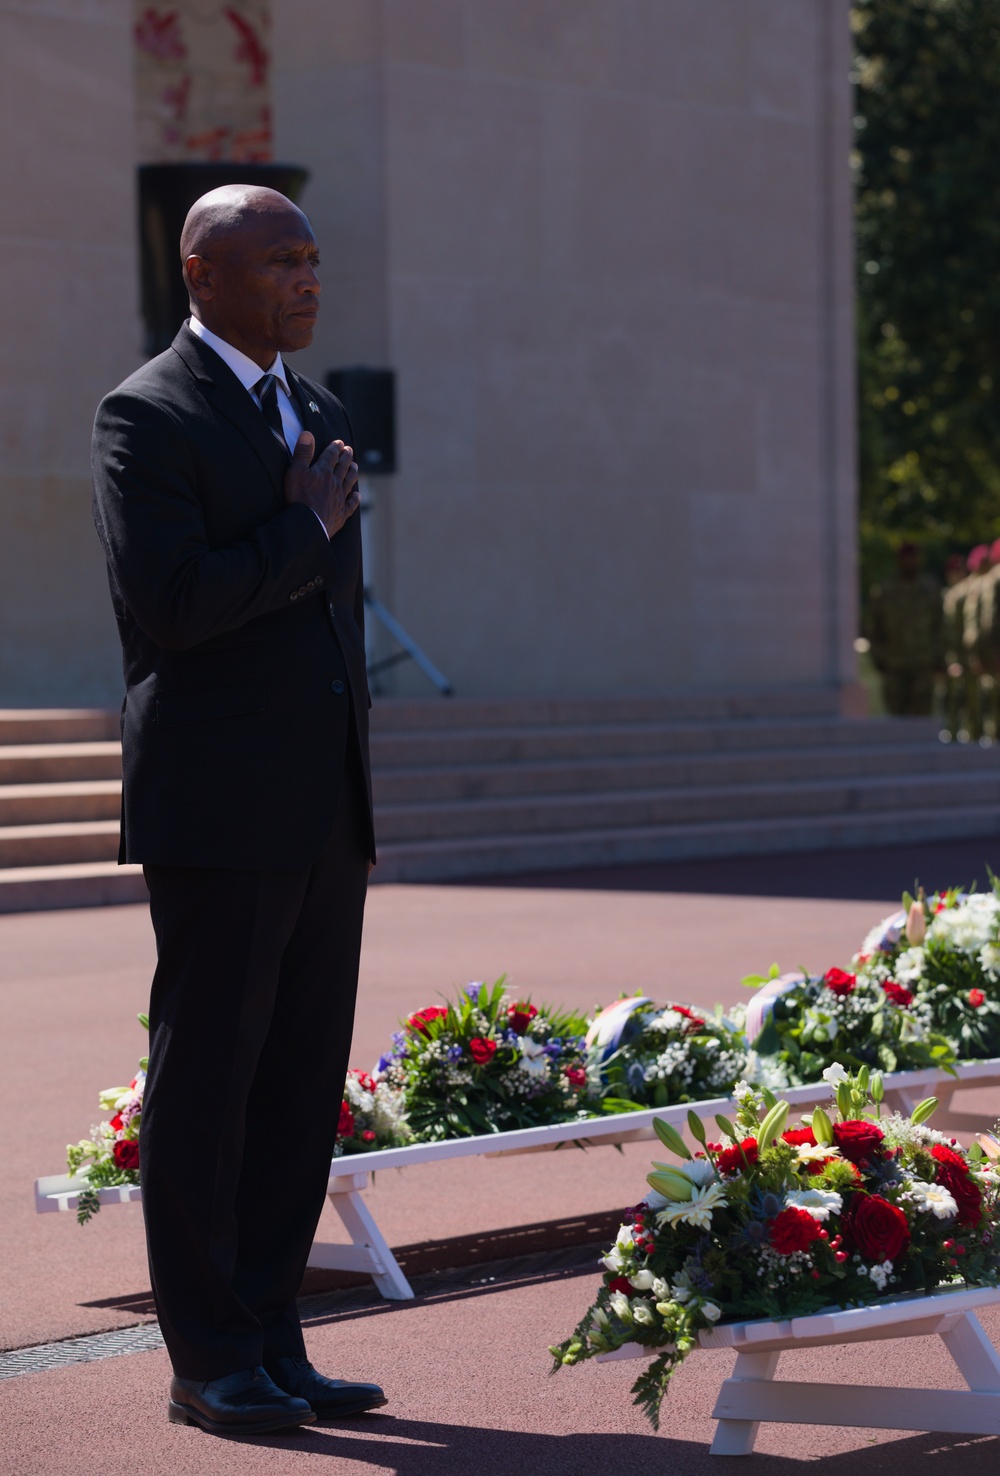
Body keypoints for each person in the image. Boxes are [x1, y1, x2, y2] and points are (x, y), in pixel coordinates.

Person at [91, 185, 386, 1437]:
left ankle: (272, 1334)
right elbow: (172, 606)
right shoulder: (146, 414)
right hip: (217, 807)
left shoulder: (313, 410)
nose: (308, 281)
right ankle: (206, 1359)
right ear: (202, 273)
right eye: (281, 262)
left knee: (296, 1080)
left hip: (323, 805)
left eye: (313, 260)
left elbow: (327, 618)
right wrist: (302, 530)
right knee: (209, 1083)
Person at [866, 542, 944, 716]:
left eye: (914, 557)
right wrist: (878, 658)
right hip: (894, 666)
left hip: (923, 665)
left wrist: (939, 657)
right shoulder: (884, 591)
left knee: (923, 718)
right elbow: (873, 629)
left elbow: (940, 626)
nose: (911, 562)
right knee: (897, 721)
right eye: (907, 558)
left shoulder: (930, 589)